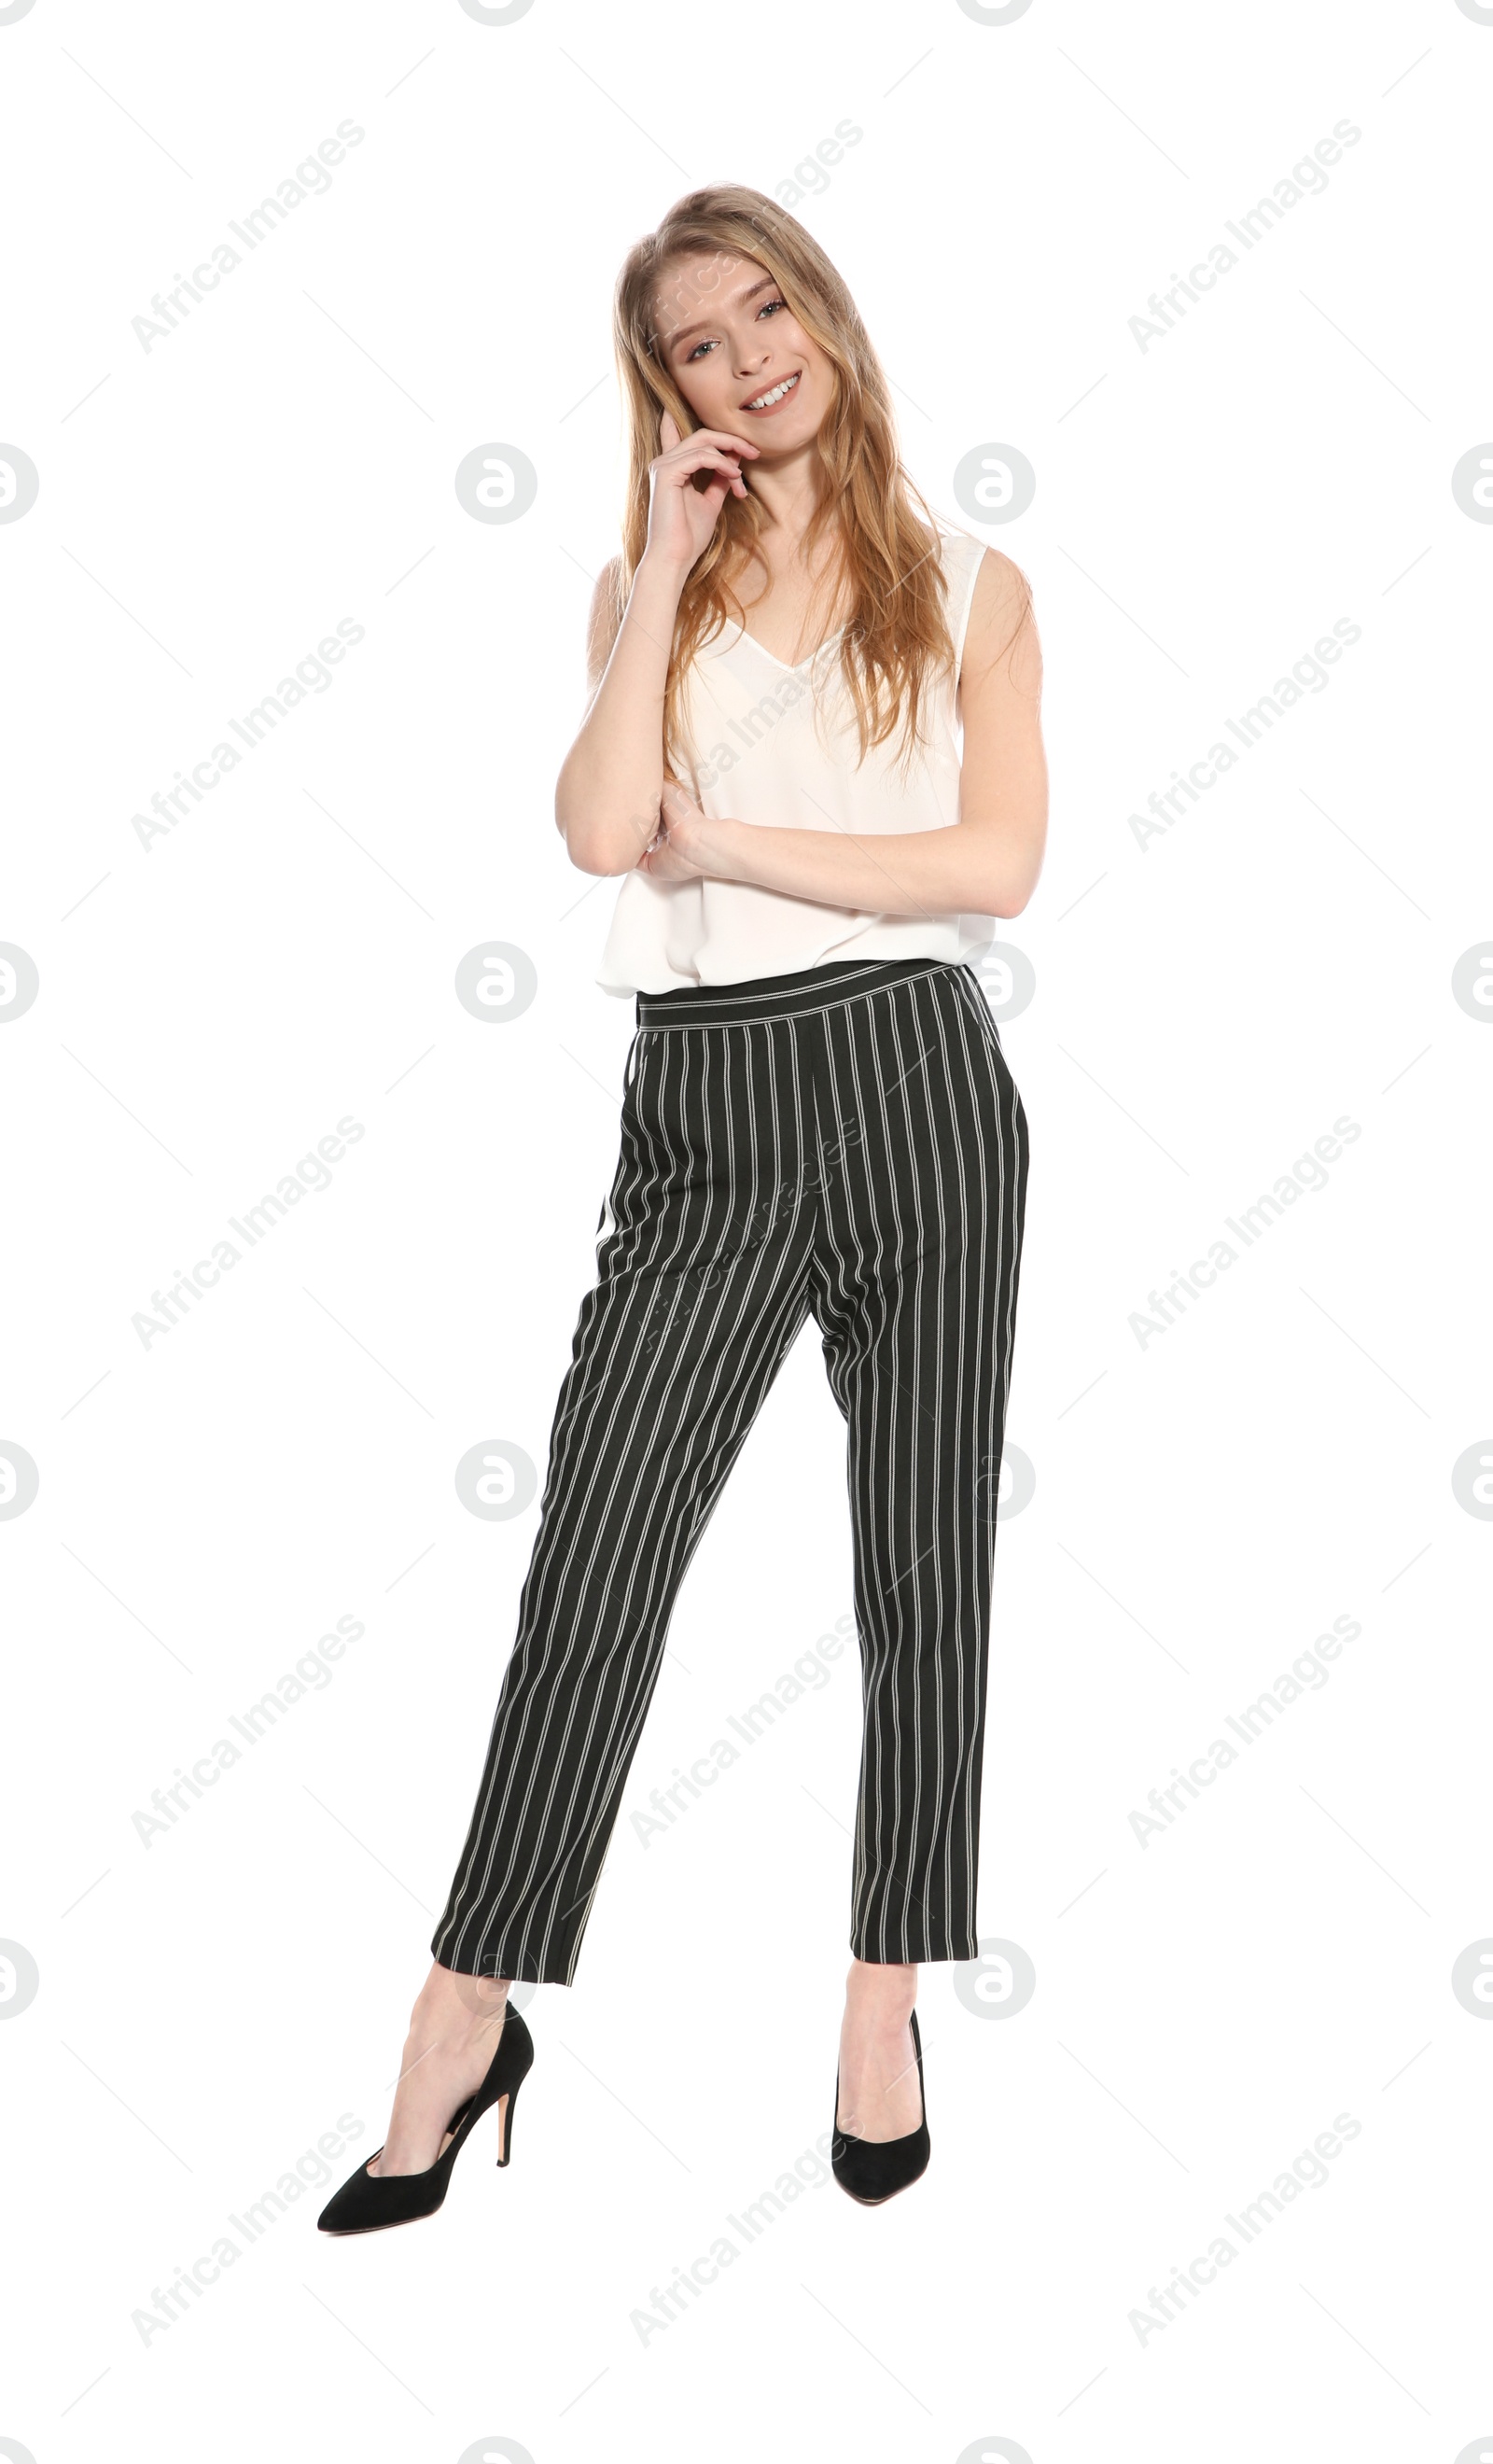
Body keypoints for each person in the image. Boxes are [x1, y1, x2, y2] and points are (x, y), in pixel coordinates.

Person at [319, 183, 1045, 2234]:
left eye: (768, 310)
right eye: (700, 346)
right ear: (668, 391)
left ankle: (880, 2001)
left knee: (921, 1570)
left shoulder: (973, 582)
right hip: (706, 1104)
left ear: (825, 309)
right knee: (597, 1566)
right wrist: (655, 572)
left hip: (919, 1085)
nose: (750, 357)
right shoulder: (652, 590)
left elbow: (991, 869)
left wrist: (731, 838)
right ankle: (463, 2015)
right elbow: (592, 831)